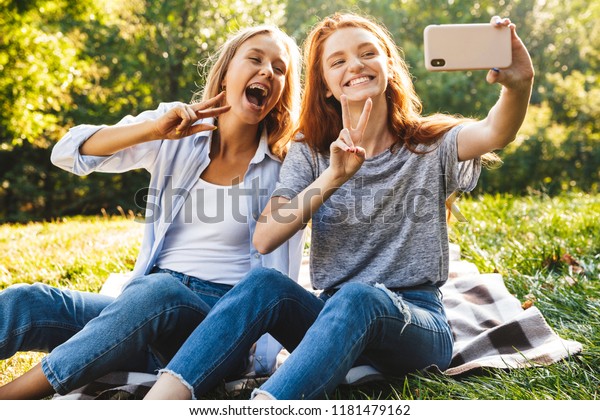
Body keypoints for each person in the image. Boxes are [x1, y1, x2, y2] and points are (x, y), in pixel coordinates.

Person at [143, 12, 534, 400]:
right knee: (266, 283)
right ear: (327, 86)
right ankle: (160, 402)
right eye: (338, 61)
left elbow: (495, 130)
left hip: (416, 323)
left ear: (389, 67)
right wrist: (332, 177)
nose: (356, 65)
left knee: (358, 295)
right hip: (331, 317)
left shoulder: (430, 143)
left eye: (368, 53)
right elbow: (265, 237)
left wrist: (518, 85)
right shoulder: (310, 152)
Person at [0, 24, 303, 399]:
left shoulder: (288, 163)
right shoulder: (177, 131)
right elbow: (66, 152)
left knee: (159, 292)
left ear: (283, 91)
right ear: (226, 71)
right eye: (255, 59)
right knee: (27, 302)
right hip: (138, 310)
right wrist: (152, 131)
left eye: (279, 68)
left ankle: (12, 397)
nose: (267, 72)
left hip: (218, 325)